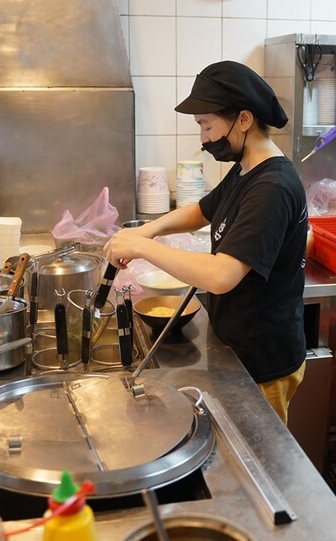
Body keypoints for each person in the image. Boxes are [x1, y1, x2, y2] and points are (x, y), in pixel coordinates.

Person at [103, 60, 308, 423]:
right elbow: (202, 211)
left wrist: (142, 247)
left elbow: (221, 275)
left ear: (243, 119)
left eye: (207, 125)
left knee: (254, 451)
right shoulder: (247, 169)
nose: (203, 138)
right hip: (239, 346)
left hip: (264, 360)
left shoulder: (271, 187)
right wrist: (147, 230)